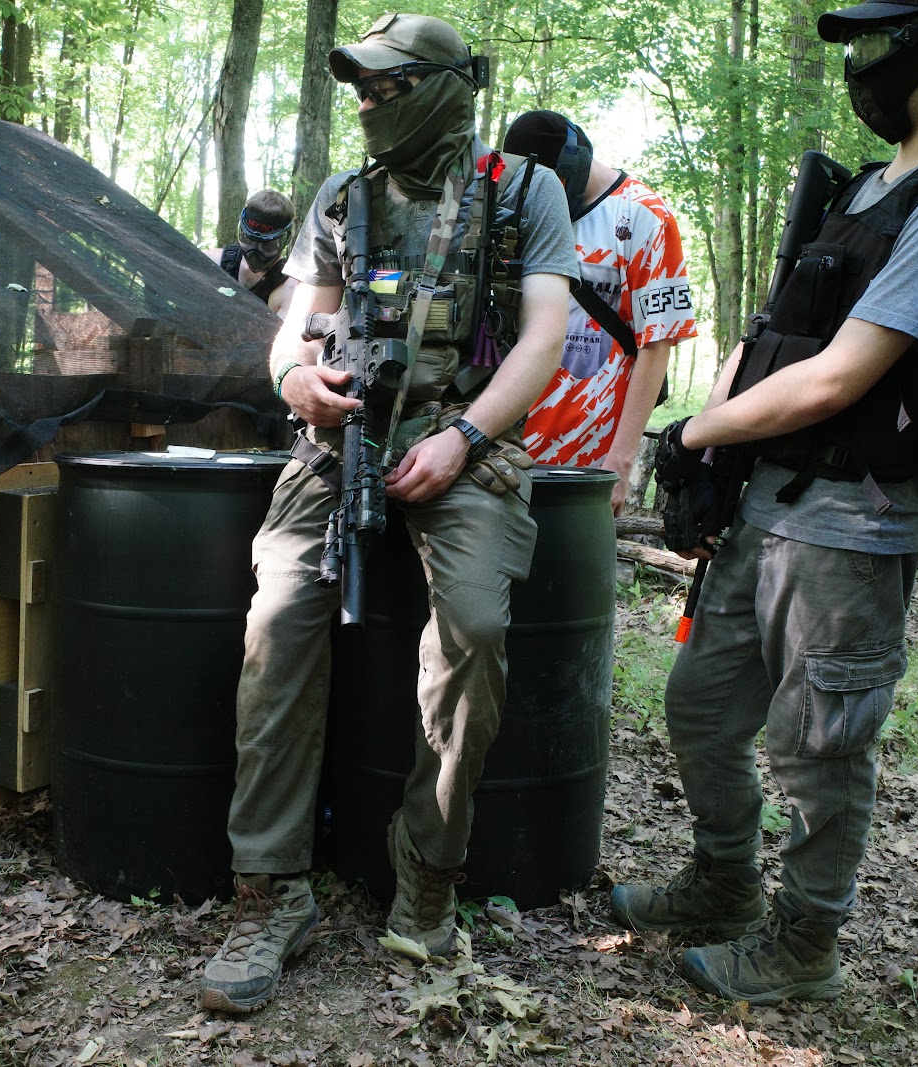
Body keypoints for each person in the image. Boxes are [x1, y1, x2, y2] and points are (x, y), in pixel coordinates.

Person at [608, 0, 918, 1005]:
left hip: (855, 516)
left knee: (819, 746)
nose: (864, 65)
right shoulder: (866, 190)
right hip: (774, 497)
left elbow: (842, 377)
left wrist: (695, 430)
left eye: (885, 42)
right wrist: (713, 431)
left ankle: (803, 944)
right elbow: (775, 331)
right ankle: (721, 882)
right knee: (701, 705)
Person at [198, 12, 576, 1014]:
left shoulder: (523, 192)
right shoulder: (341, 198)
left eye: (385, 88)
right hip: (341, 434)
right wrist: (298, 384)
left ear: (444, 89)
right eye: (357, 88)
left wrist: (464, 439)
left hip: (465, 436)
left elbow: (544, 335)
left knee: (474, 629)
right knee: (275, 622)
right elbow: (293, 330)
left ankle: (428, 875)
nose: (364, 104)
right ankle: (269, 889)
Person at [502, 110, 698, 514]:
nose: (539, 192)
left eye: (547, 181)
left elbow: (657, 343)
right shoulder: (520, 209)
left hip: (589, 457)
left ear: (571, 165)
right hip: (506, 445)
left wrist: (620, 463)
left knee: (573, 574)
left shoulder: (644, 216)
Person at [207, 188, 300, 317]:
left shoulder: (289, 289)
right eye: (249, 240)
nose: (255, 251)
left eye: (267, 245)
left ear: (285, 239)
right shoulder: (213, 262)